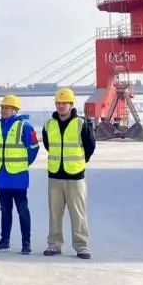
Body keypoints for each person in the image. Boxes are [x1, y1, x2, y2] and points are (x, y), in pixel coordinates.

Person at [41, 87, 96, 259]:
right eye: (58, 103)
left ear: (71, 104)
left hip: (75, 176)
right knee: (54, 213)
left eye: (64, 103)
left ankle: (81, 246)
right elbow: (48, 145)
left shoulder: (81, 124)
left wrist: (79, 162)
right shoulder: (49, 125)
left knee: (78, 213)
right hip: (55, 175)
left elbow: (90, 146)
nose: (61, 106)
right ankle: (54, 245)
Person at [0, 95, 39, 254]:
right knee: (5, 210)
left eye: (8, 108)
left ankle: (26, 243)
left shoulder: (25, 127)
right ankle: (4, 241)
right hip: (1, 176)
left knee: (22, 210)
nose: (4, 110)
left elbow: (33, 148)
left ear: (15, 110)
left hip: (18, 177)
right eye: (3, 108)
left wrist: (24, 163)